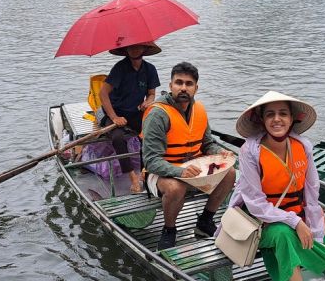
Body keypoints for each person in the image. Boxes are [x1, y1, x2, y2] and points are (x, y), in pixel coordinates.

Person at [227, 91, 325, 281]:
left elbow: (312, 193)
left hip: (297, 213)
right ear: (261, 120)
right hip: (259, 223)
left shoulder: (303, 146)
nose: (277, 119)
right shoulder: (250, 151)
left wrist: (314, 230)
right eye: (270, 114)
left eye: (283, 113)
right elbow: (256, 206)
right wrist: (295, 222)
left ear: (293, 118)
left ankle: (286, 272)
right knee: (283, 233)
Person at [141, 62, 236, 250]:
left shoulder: (199, 109)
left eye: (189, 84)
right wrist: (179, 171)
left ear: (196, 88)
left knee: (230, 173)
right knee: (176, 188)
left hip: (194, 168)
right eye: (179, 82)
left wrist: (220, 152)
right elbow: (151, 161)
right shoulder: (158, 114)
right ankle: (169, 229)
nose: (183, 88)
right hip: (161, 173)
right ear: (170, 86)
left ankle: (205, 221)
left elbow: (207, 143)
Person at [99, 43, 161, 193]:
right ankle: (133, 177)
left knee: (151, 132)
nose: (135, 49)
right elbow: (103, 93)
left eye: (139, 47)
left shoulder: (150, 69)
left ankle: (145, 172)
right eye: (131, 47)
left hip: (135, 113)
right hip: (116, 112)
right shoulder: (120, 68)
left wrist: (148, 102)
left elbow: (151, 93)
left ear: (145, 49)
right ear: (125, 50)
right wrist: (114, 117)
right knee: (118, 138)